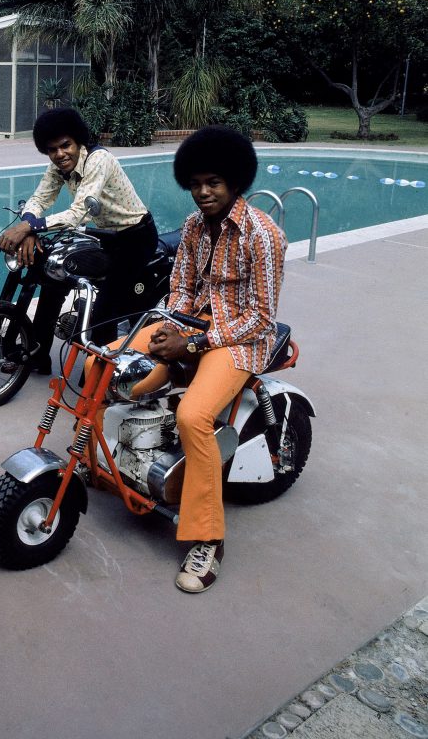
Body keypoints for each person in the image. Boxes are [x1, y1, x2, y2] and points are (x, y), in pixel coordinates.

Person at [123, 126, 287, 593]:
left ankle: (207, 537)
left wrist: (192, 344)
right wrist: (172, 327)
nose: (203, 192)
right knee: (111, 368)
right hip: (191, 327)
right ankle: (112, 466)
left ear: (236, 182)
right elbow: (180, 289)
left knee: (194, 415)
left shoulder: (263, 235)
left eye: (213, 182)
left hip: (239, 342)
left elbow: (261, 318)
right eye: (196, 183)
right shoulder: (194, 228)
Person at [0, 108, 158, 369]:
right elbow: (40, 198)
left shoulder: (98, 160)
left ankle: (102, 373)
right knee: (52, 276)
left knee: (105, 309)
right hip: (105, 236)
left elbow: (78, 213)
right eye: (52, 149)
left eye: (65, 145)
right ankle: (38, 354)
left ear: (78, 141)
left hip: (136, 237)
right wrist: (28, 227)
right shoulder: (57, 166)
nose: (60, 154)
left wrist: (27, 228)